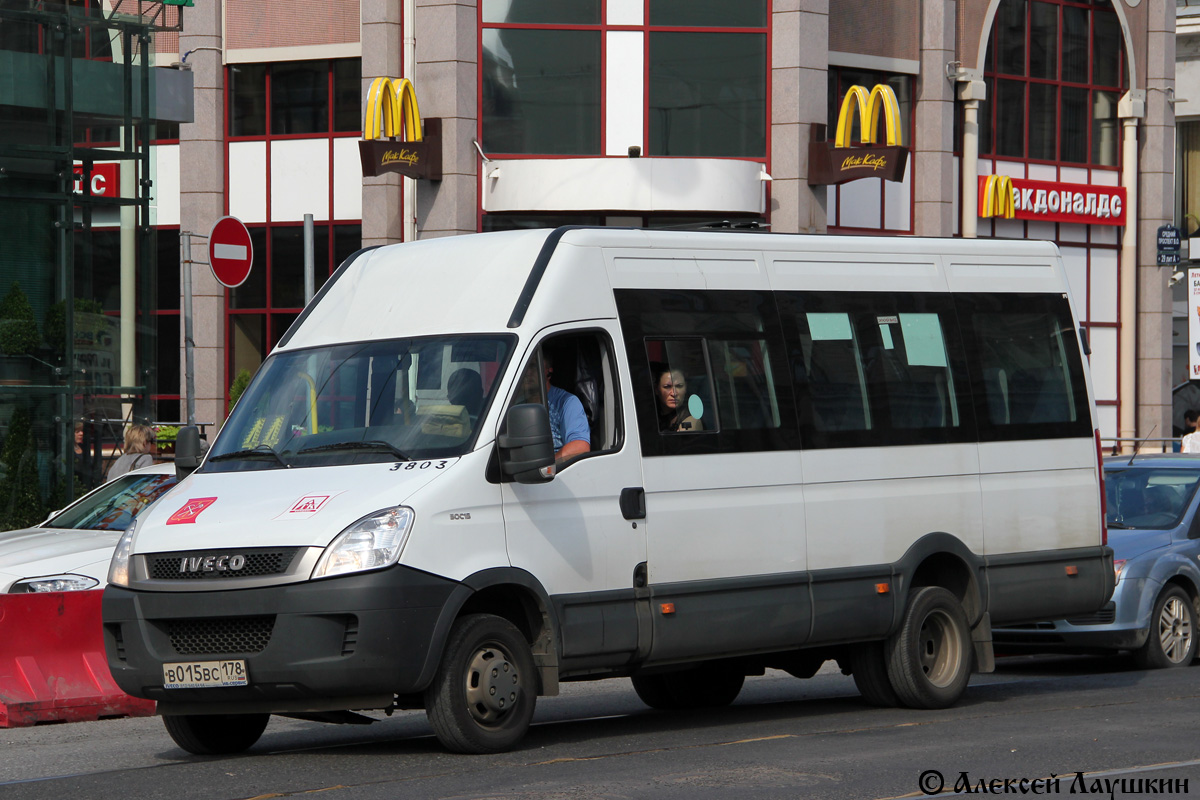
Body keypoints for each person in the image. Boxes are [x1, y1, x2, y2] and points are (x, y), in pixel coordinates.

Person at [652, 362, 703, 432]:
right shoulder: (649, 415)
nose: (674, 393)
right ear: (656, 390)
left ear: (686, 388)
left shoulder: (690, 419)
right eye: (667, 387)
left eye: (679, 386)